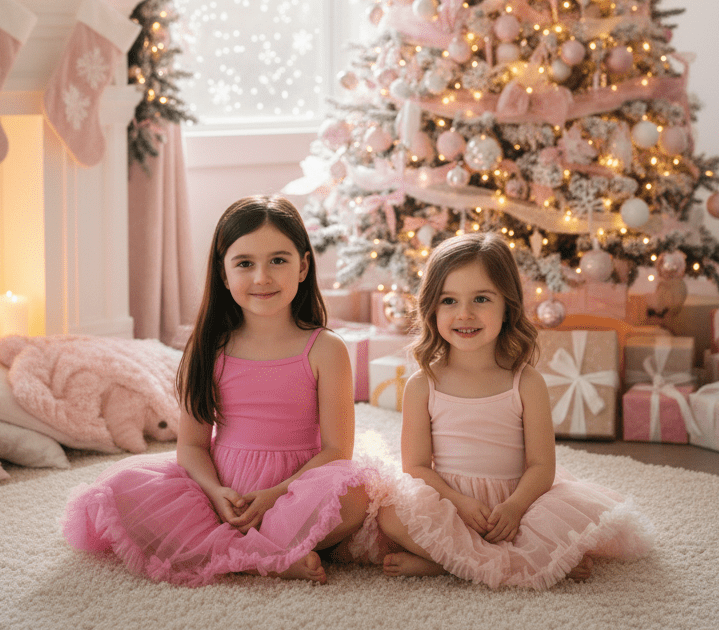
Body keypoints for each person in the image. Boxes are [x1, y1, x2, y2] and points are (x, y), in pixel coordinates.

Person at [60, 195, 374, 586]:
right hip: (222, 490)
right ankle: (269, 554)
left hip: (295, 487)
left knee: (355, 495)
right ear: (224, 275)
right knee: (120, 490)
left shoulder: (326, 349)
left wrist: (275, 493)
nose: (262, 277)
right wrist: (214, 492)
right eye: (245, 264)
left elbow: (336, 451)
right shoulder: (208, 348)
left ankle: (259, 549)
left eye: (278, 260)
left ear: (303, 266)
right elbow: (191, 445)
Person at [376, 232, 654, 589]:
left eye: (481, 299)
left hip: (518, 504)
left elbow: (542, 465)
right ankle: (505, 564)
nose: (465, 314)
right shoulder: (422, 384)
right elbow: (415, 467)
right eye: (449, 300)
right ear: (431, 306)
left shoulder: (526, 382)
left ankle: (450, 563)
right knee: (390, 516)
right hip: (452, 503)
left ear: (507, 306)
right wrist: (459, 503)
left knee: (561, 527)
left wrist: (515, 508)